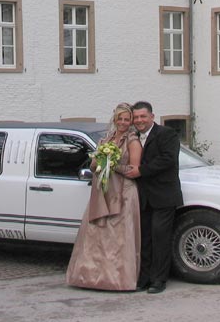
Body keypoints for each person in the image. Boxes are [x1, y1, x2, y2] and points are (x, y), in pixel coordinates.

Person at [66, 102, 143, 291]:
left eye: (127, 119)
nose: (123, 122)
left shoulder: (133, 141)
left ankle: (119, 278)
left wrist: (112, 164)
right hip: (103, 191)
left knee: (119, 236)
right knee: (96, 234)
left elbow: (135, 169)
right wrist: (98, 162)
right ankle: (91, 276)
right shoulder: (105, 140)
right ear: (114, 119)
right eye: (120, 119)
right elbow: (93, 166)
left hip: (124, 192)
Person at [131, 100, 183, 294]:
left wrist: (141, 171)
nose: (139, 120)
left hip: (164, 196)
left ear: (152, 116)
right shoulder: (133, 136)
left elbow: (168, 160)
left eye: (143, 116)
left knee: (160, 238)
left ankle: (159, 280)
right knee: (144, 239)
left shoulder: (167, 134)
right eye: (136, 117)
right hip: (143, 197)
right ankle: (144, 279)